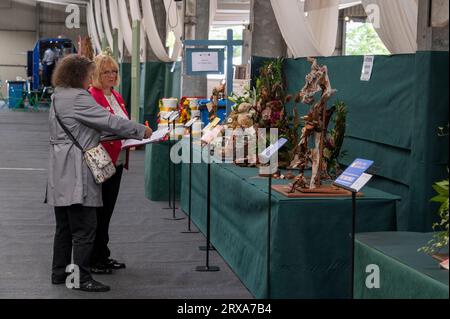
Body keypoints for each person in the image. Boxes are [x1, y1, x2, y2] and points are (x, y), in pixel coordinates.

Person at [46, 54, 152, 292]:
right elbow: (109, 121)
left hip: (59, 169)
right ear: (81, 75)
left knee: (64, 226)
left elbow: (80, 129)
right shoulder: (79, 98)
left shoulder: (58, 97)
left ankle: (60, 272)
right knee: (85, 226)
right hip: (76, 170)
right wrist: (141, 131)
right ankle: (81, 279)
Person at [88, 53, 131, 274]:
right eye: (107, 71)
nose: (112, 75)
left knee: (107, 211)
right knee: (98, 212)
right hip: (101, 160)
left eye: (114, 71)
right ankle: (94, 259)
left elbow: (122, 124)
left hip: (118, 159)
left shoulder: (117, 96)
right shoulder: (91, 96)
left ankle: (102, 255)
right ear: (96, 74)